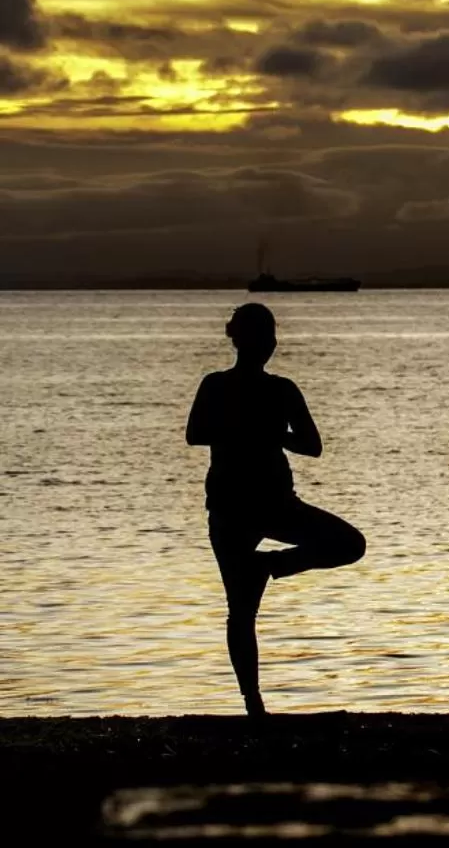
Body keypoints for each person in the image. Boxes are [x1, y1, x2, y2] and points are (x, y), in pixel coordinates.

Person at [185, 302, 366, 716]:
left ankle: (271, 566)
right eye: (259, 337)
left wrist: (277, 435)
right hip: (231, 507)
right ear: (239, 339)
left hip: (276, 504)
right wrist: (248, 430)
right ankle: (253, 704)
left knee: (350, 544)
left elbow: (312, 446)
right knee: (240, 610)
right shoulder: (215, 385)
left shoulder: (282, 389)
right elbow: (195, 434)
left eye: (268, 337)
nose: (265, 345)